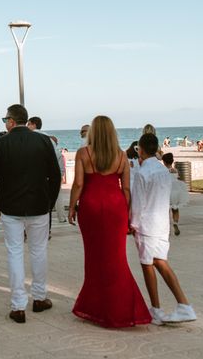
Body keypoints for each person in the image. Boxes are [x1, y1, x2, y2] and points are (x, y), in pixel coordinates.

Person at [69, 115, 151, 328]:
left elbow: (78, 184)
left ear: (93, 132)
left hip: (91, 205)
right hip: (116, 207)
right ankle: (120, 307)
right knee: (117, 257)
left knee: (94, 257)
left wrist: (71, 207)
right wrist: (128, 213)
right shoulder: (122, 155)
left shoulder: (83, 153)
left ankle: (95, 307)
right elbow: (125, 188)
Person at [0, 105, 61, 324]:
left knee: (14, 253)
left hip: (10, 207)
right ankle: (39, 297)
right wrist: (50, 202)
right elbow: (55, 175)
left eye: (5, 119)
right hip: (38, 206)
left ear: (11, 121)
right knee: (39, 251)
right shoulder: (43, 141)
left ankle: (18, 306)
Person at [131, 133, 196, 324]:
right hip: (161, 222)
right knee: (160, 261)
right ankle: (180, 305)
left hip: (146, 223)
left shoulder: (143, 173)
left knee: (148, 264)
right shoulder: (162, 171)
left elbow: (138, 203)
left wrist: (132, 224)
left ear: (140, 149)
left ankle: (158, 308)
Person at [27, 117, 66, 223]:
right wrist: (60, 174)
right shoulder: (48, 139)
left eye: (29, 124)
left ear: (34, 125)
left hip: (37, 178)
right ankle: (49, 226)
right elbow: (58, 157)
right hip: (50, 176)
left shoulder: (31, 137)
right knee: (48, 204)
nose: (27, 126)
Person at [161, 153, 190, 236]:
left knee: (166, 211)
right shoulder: (175, 170)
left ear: (164, 162)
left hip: (166, 192)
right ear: (172, 161)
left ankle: (166, 227)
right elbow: (178, 179)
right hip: (175, 192)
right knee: (175, 209)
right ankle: (175, 223)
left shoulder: (163, 171)